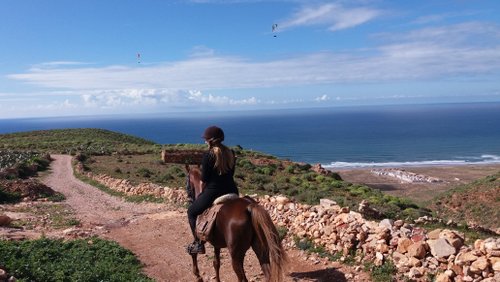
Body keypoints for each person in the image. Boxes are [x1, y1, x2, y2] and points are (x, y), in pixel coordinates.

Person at [186, 125, 239, 254]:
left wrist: (202, 193)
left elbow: (204, 180)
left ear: (210, 140)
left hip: (214, 191)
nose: (204, 141)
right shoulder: (230, 153)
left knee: (191, 212)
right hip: (232, 190)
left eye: (206, 139)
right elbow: (231, 174)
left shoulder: (208, 155)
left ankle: (198, 244)